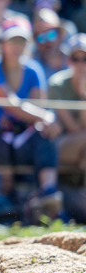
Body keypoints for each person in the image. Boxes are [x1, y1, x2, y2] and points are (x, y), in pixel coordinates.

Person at [0, 19, 63, 219]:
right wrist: (45, 116)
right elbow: (11, 105)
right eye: (12, 41)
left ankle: (48, 194)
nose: (17, 47)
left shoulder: (34, 69)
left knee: (46, 136)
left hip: (23, 136)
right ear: (3, 43)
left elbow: (37, 104)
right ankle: (3, 197)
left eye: (21, 41)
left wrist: (43, 120)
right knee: (4, 138)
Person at [49, 33, 86, 221]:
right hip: (60, 146)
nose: (81, 64)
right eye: (75, 58)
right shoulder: (56, 83)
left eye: (85, 59)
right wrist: (82, 95)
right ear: (68, 60)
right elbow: (73, 128)